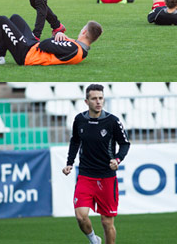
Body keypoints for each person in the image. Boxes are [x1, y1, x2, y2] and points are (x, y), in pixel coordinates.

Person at [62, 84, 130, 244]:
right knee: (80, 216)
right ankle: (94, 240)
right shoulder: (79, 119)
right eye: (94, 98)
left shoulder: (113, 121)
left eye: (100, 98)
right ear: (87, 101)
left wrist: (118, 159)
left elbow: (125, 143)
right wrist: (69, 163)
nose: (98, 102)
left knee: (107, 223)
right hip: (85, 176)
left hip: (107, 177)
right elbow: (75, 141)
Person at [0, 14, 102, 66]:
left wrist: (56, 38)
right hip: (32, 47)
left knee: (1, 20)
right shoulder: (78, 48)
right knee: (15, 18)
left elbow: (44, 44)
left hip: (27, 55)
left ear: (84, 32)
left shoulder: (74, 49)